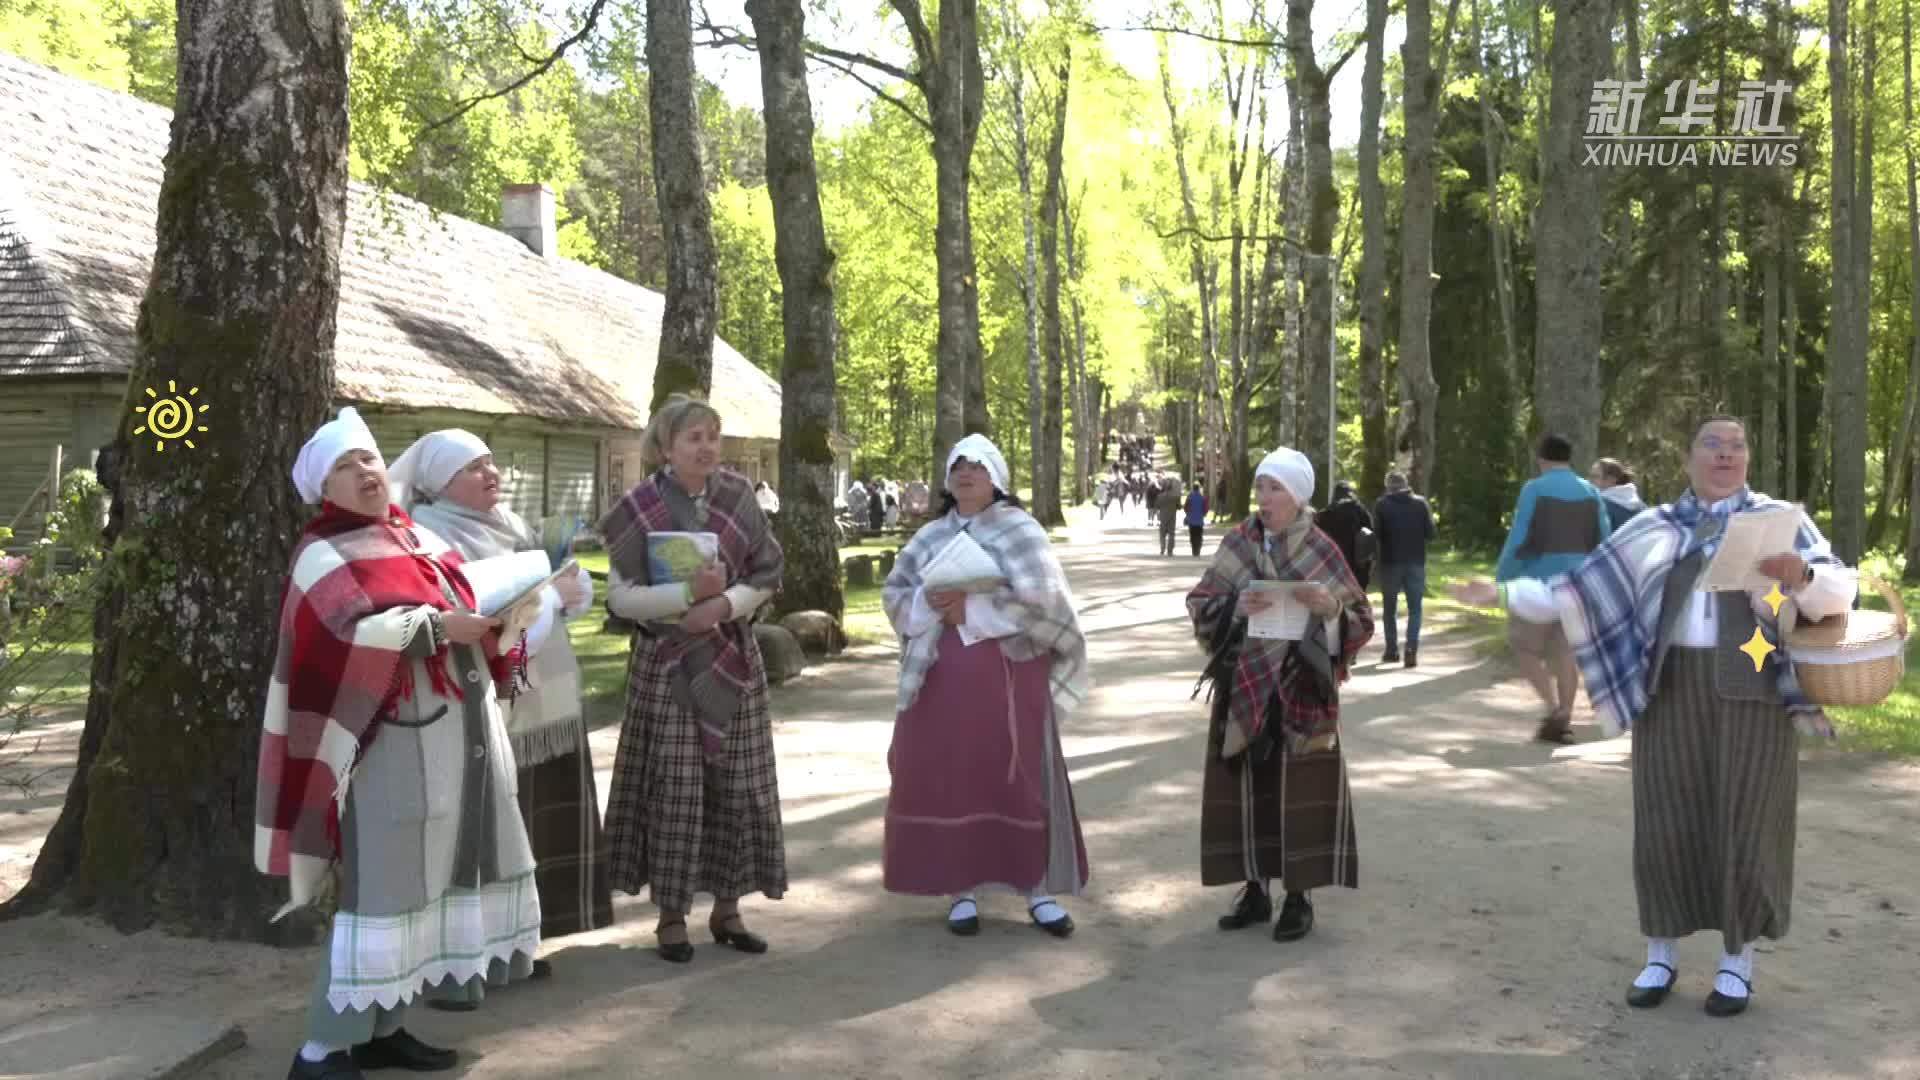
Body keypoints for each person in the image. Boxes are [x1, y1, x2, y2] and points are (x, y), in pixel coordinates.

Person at [1465, 416, 1856, 1019]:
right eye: (1712, 445)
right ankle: (1660, 955)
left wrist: (1800, 576)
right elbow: (1580, 590)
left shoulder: (1781, 522)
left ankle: (1736, 963)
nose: (1726, 455)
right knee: (1665, 820)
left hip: (1754, 695)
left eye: (1737, 446)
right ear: (1688, 459)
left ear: (1748, 458)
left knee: (1746, 823)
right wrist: (1507, 595)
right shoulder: (1654, 527)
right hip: (1669, 690)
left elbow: (1837, 592)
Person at [259, 408, 546, 1080]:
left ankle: (383, 1027)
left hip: (458, 736)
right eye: (344, 465)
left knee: (426, 889)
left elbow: (464, 602)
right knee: (381, 894)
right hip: (385, 747)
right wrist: (441, 627)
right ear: (322, 488)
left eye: (368, 459)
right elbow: (346, 636)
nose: (364, 470)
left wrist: (503, 616)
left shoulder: (415, 537)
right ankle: (322, 1051)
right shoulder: (321, 553)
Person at [390, 431, 609, 1010]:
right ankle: (464, 960)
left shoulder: (511, 524)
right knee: (482, 831)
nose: (491, 473)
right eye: (474, 467)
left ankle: (518, 944)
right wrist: (552, 600)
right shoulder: (430, 536)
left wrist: (573, 588)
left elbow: (544, 593)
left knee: (531, 825)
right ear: (441, 483)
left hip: (545, 696)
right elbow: (480, 621)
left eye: (492, 462)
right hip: (486, 701)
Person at [880, 434, 1091, 937]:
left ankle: (1035, 889)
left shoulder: (1023, 531)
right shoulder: (930, 536)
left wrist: (971, 610)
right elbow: (895, 594)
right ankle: (963, 888)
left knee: (1017, 776)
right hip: (942, 677)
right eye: (958, 465)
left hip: (1011, 676)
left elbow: (1044, 606)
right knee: (954, 776)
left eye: (977, 466)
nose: (966, 473)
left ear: (995, 477)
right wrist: (932, 607)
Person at [600, 395, 787, 963]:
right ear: (664, 447)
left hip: (732, 660)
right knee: (675, 789)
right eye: (693, 438)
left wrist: (724, 607)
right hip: (666, 665)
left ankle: (728, 910)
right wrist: (687, 597)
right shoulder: (637, 508)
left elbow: (768, 573)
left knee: (735, 785)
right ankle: (671, 918)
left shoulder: (738, 498)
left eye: (713, 435)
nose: (706, 447)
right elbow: (621, 598)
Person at [1186, 447, 1373, 944]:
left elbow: (1361, 622)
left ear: (1298, 497)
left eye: (1276, 489)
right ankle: (1254, 890)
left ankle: (1298, 898)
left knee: (1301, 789)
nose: (1264, 498)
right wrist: (1236, 605)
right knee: (1249, 787)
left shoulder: (1322, 548)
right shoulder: (1239, 542)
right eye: (1261, 487)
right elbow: (1201, 602)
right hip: (1244, 684)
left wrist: (1330, 608)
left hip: (1302, 689)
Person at [1494, 433, 1614, 743]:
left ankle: (1553, 710)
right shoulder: (1590, 491)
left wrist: (1504, 576)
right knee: (1565, 653)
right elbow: (1604, 537)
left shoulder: (1534, 489)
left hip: (1539, 583)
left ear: (1541, 458)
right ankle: (1566, 717)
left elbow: (1520, 536)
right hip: (1578, 585)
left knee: (1524, 647)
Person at [1372, 471, 1435, 668]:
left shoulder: (1382, 505)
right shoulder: (1421, 503)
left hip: (1390, 562)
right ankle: (1411, 649)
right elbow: (1431, 533)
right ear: (1406, 484)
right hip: (1416, 561)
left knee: (1389, 609)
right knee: (1415, 608)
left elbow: (1377, 535)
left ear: (1388, 486)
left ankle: (1391, 651)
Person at [1314, 481, 1375, 592]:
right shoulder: (1361, 511)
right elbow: (1369, 535)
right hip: (1357, 563)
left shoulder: (1327, 513)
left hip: (1335, 561)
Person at [1591, 457, 1646, 531]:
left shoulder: (1601, 505)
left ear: (1611, 479)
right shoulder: (1641, 505)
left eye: (1596, 476)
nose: (1591, 481)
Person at [1155, 474, 1182, 556]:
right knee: (1171, 534)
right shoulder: (1175, 497)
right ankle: (1170, 550)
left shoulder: (1160, 496)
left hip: (1163, 517)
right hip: (1172, 517)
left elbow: (1157, 506)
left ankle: (1162, 548)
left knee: (1162, 534)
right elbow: (1179, 507)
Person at [1185, 481, 1209, 556]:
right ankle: (1198, 549)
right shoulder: (1202, 498)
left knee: (1192, 536)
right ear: (1199, 489)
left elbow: (1186, 507)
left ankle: (1194, 549)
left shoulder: (1189, 497)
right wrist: (1204, 514)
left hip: (1191, 521)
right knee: (1199, 535)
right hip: (1199, 521)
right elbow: (1205, 508)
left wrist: (1188, 513)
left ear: (1193, 488)